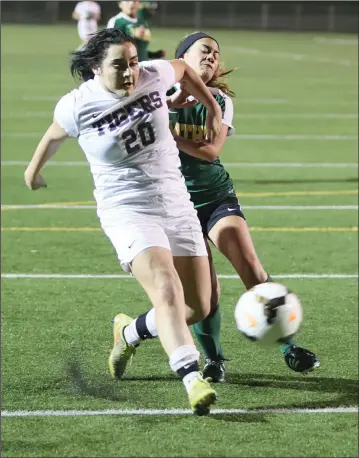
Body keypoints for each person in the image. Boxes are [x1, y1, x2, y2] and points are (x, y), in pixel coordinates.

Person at [23, 28, 224, 415]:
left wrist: (212, 108)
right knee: (166, 287)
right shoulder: (77, 104)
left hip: (176, 202)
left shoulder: (151, 74)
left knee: (198, 305)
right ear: (97, 68)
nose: (130, 71)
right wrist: (33, 172)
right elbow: (53, 135)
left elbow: (182, 67)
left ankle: (128, 331)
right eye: (119, 64)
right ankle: (191, 379)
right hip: (126, 209)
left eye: (133, 62)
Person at [116, 32, 320, 382]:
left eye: (216, 54)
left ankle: (289, 347)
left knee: (250, 265)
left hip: (215, 196)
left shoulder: (219, 100)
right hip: (175, 206)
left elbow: (211, 151)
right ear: (181, 60)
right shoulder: (156, 96)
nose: (211, 57)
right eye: (203, 51)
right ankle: (214, 361)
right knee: (206, 293)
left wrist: (169, 133)